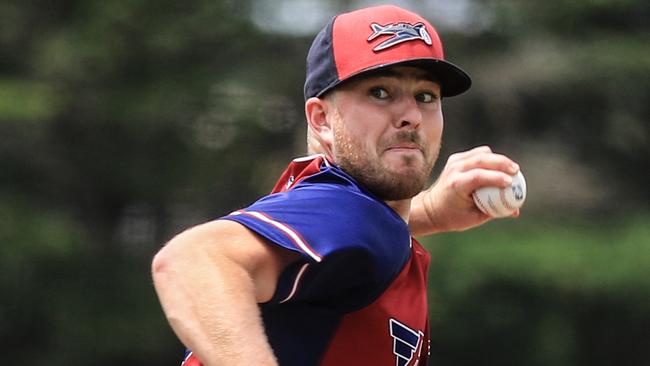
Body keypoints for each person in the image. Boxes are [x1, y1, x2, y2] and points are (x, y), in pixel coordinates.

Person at [152, 5, 521, 366]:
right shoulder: (350, 210)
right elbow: (192, 260)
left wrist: (428, 212)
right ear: (322, 119)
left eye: (425, 96)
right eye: (380, 92)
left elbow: (351, 240)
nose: (410, 116)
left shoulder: (365, 221)